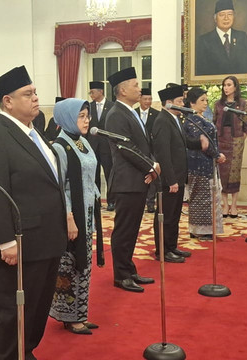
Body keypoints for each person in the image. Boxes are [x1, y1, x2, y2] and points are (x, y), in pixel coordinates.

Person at [0, 65, 66, 360]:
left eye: (35, 92)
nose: (36, 98)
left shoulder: (35, 133)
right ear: (8, 101)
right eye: (28, 94)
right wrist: (6, 241)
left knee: (37, 307)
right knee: (14, 311)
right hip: (17, 243)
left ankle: (25, 353)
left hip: (45, 239)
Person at [48, 98, 101, 335]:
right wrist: (69, 217)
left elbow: (89, 176)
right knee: (69, 266)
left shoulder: (83, 143)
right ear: (68, 117)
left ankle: (81, 313)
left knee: (84, 264)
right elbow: (60, 186)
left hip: (86, 213)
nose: (86, 120)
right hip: (71, 216)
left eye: (87, 115)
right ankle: (69, 315)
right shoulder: (60, 147)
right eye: (81, 116)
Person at [104, 67, 158, 293]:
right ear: (123, 90)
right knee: (124, 230)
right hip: (127, 181)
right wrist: (151, 166)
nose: (140, 88)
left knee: (133, 228)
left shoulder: (130, 111)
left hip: (139, 179)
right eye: (135, 85)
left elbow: (144, 144)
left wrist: (152, 165)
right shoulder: (116, 113)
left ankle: (129, 268)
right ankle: (121, 275)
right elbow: (125, 147)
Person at [151, 85, 207, 262]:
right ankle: (163, 250)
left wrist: (199, 143)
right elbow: (163, 153)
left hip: (179, 177)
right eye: (180, 101)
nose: (183, 104)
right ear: (168, 103)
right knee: (165, 216)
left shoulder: (176, 118)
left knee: (174, 215)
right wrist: (171, 179)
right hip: (170, 179)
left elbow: (183, 143)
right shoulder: (162, 121)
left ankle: (172, 246)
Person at [184, 87, 226, 240]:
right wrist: (217, 155)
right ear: (192, 103)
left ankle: (203, 230)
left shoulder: (201, 118)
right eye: (202, 100)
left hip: (207, 163)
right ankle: (200, 230)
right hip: (198, 165)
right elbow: (204, 143)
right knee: (201, 198)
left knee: (208, 197)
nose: (205, 103)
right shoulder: (191, 121)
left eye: (206, 100)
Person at [214, 75, 247, 218]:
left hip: (236, 141)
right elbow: (214, 122)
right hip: (221, 140)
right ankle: (225, 204)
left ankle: (234, 205)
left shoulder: (243, 104)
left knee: (234, 173)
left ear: (235, 87)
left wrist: (240, 139)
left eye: (229, 85)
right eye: (224, 85)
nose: (226, 88)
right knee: (221, 172)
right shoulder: (218, 104)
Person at [195, 0, 247, 76]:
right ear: (215, 18)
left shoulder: (242, 36)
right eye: (222, 15)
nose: (226, 18)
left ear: (234, 17)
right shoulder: (204, 40)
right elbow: (201, 71)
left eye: (230, 14)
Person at [88, 81, 115, 211]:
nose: (91, 94)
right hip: (92, 146)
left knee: (110, 174)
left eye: (92, 92)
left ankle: (111, 201)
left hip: (107, 146)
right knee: (94, 174)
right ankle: (96, 201)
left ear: (101, 91)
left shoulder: (112, 106)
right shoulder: (88, 106)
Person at [135, 87, 160, 213]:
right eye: (145, 99)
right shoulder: (133, 113)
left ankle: (151, 202)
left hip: (152, 150)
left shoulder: (156, 114)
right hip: (137, 150)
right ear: (139, 99)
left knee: (153, 175)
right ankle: (140, 200)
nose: (148, 101)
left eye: (150, 99)